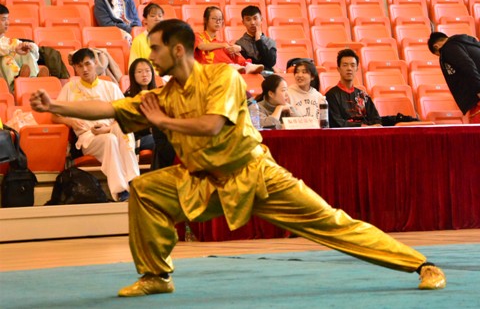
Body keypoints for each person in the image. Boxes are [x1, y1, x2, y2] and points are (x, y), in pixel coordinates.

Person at [30, 19, 445, 297]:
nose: (149, 56)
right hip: (203, 181)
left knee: (331, 222)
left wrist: (163, 122)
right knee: (145, 190)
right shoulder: (164, 95)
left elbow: (213, 125)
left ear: (178, 49)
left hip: (255, 174)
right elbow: (108, 108)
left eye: (155, 49)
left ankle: (420, 264)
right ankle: (156, 275)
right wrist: (56, 105)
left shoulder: (222, 76)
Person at [53, 48, 139, 201]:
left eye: (88, 64)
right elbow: (54, 116)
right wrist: (70, 121)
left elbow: (124, 114)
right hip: (89, 137)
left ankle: (133, 180)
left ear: (95, 63)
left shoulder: (110, 87)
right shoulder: (69, 88)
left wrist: (108, 128)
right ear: (75, 68)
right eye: (80, 66)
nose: (84, 69)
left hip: (110, 130)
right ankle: (120, 190)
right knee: (110, 140)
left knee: (122, 129)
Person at [124, 58, 175, 170]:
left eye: (147, 71)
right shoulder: (128, 98)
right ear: (132, 75)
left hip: (159, 133)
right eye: (139, 72)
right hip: (138, 137)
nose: (144, 75)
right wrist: (151, 129)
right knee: (162, 142)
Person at [428, 31, 480, 123]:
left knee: (475, 130)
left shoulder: (448, 48)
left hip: (477, 98)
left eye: (438, 55)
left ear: (436, 46)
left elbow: (467, 66)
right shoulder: (470, 43)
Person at [195, 6, 263, 74]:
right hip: (206, 69)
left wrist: (233, 49)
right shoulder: (198, 35)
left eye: (220, 19)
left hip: (221, 69)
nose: (218, 21)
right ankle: (230, 65)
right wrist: (222, 45)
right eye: (214, 18)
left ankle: (247, 65)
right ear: (205, 20)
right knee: (221, 48)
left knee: (231, 49)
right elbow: (201, 46)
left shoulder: (222, 43)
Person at [325, 49, 382, 128]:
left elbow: (376, 119)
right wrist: (363, 127)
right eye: (345, 65)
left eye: (352, 65)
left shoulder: (363, 95)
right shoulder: (331, 95)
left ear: (357, 69)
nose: (349, 68)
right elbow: (336, 123)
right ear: (338, 69)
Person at [0, 3, 48, 89]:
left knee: (27, 53)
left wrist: (29, 46)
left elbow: (36, 54)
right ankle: (16, 83)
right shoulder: (10, 45)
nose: (7, 23)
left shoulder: (10, 41)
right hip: (6, 78)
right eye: (3, 19)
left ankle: (35, 79)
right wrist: (13, 48)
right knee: (5, 58)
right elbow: (2, 49)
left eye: (8, 19)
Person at [236, 5, 277, 73]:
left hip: (268, 76)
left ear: (261, 19)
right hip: (249, 76)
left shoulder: (270, 42)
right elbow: (247, 64)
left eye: (255, 18)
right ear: (243, 22)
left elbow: (271, 62)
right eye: (248, 19)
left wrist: (258, 40)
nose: (252, 23)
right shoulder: (239, 44)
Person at [129, 3, 164, 68]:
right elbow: (133, 68)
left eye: (160, 16)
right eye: (153, 16)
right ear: (145, 21)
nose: (157, 18)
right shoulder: (138, 41)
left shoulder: (168, 39)